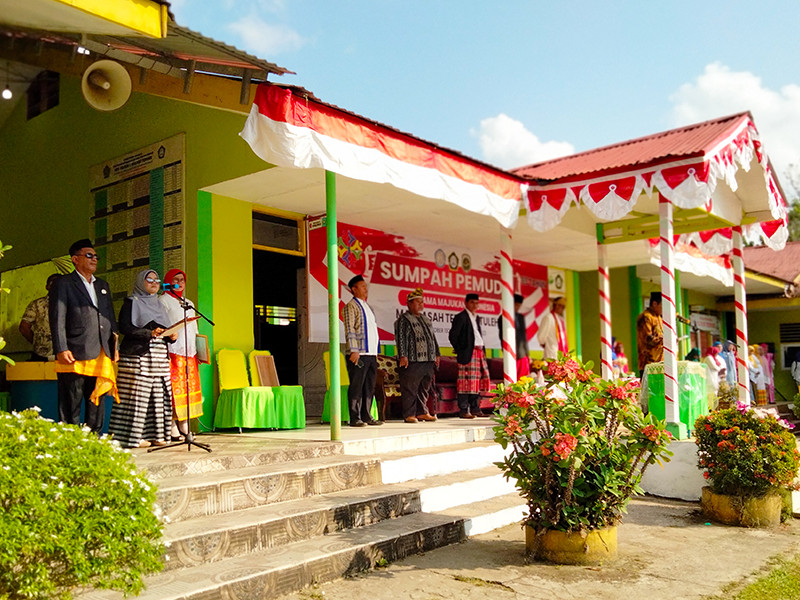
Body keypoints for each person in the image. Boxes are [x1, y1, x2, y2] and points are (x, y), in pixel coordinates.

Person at [49, 239, 118, 434]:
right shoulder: (63, 283)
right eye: (89, 255)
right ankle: (70, 440)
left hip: (101, 350)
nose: (94, 259)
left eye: (96, 256)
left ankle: (94, 439)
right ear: (75, 259)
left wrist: (115, 347)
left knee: (96, 398)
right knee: (72, 400)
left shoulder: (102, 285)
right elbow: (57, 317)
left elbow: (110, 317)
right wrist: (61, 347)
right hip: (75, 349)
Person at [108, 269, 177, 448]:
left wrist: (171, 336)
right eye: (149, 280)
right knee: (137, 397)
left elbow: (164, 328)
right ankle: (134, 437)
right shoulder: (132, 302)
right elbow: (125, 327)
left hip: (159, 358)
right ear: (140, 282)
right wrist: (149, 333)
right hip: (138, 357)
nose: (154, 283)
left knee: (159, 397)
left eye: (157, 280)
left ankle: (157, 436)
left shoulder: (159, 304)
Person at [160, 268, 204, 440]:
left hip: (190, 353)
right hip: (173, 351)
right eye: (175, 279)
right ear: (168, 282)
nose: (179, 283)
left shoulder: (188, 302)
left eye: (182, 280)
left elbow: (194, 329)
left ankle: (184, 423)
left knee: (187, 389)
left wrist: (199, 351)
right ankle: (171, 425)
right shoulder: (163, 301)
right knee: (173, 390)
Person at [342, 274, 383, 427]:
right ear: (354, 289)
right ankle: (354, 417)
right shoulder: (351, 306)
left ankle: (367, 415)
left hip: (370, 353)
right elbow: (350, 329)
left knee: (369, 386)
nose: (366, 289)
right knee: (356, 385)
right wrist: (354, 350)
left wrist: (376, 351)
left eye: (366, 287)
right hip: (359, 353)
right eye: (363, 287)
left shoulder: (368, 307)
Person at [394, 288, 439, 423]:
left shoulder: (426, 319)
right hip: (413, 360)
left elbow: (432, 338)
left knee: (424, 388)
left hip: (428, 359)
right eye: (417, 302)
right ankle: (409, 414)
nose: (421, 305)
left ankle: (422, 412)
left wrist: (437, 353)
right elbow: (401, 338)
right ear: (409, 304)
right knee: (410, 388)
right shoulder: (404, 319)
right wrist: (403, 355)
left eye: (422, 302)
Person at [448, 293, 490, 419]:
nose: (474, 305)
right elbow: (453, 335)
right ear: (466, 303)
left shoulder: (476, 317)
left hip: (479, 352)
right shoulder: (461, 317)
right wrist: (460, 349)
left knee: (476, 382)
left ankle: (475, 408)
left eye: (476, 303)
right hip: (468, 353)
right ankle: (463, 410)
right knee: (465, 382)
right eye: (472, 302)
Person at [19, 273, 60, 361]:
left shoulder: (73, 304)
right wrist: (38, 342)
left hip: (66, 354)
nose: (56, 286)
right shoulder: (37, 304)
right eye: (52, 283)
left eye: (59, 283)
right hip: (41, 355)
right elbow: (24, 327)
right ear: (47, 287)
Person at [498, 293, 530, 377]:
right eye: (516, 305)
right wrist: (506, 352)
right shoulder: (503, 318)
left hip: (522, 353)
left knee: (524, 377)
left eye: (519, 305)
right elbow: (502, 337)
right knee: (513, 376)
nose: (517, 307)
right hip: (511, 352)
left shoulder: (520, 317)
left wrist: (527, 353)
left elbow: (524, 336)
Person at [636, 292, 663, 374]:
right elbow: (648, 339)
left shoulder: (659, 317)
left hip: (660, 363)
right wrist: (665, 339)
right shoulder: (646, 317)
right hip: (649, 364)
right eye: (663, 305)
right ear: (654, 304)